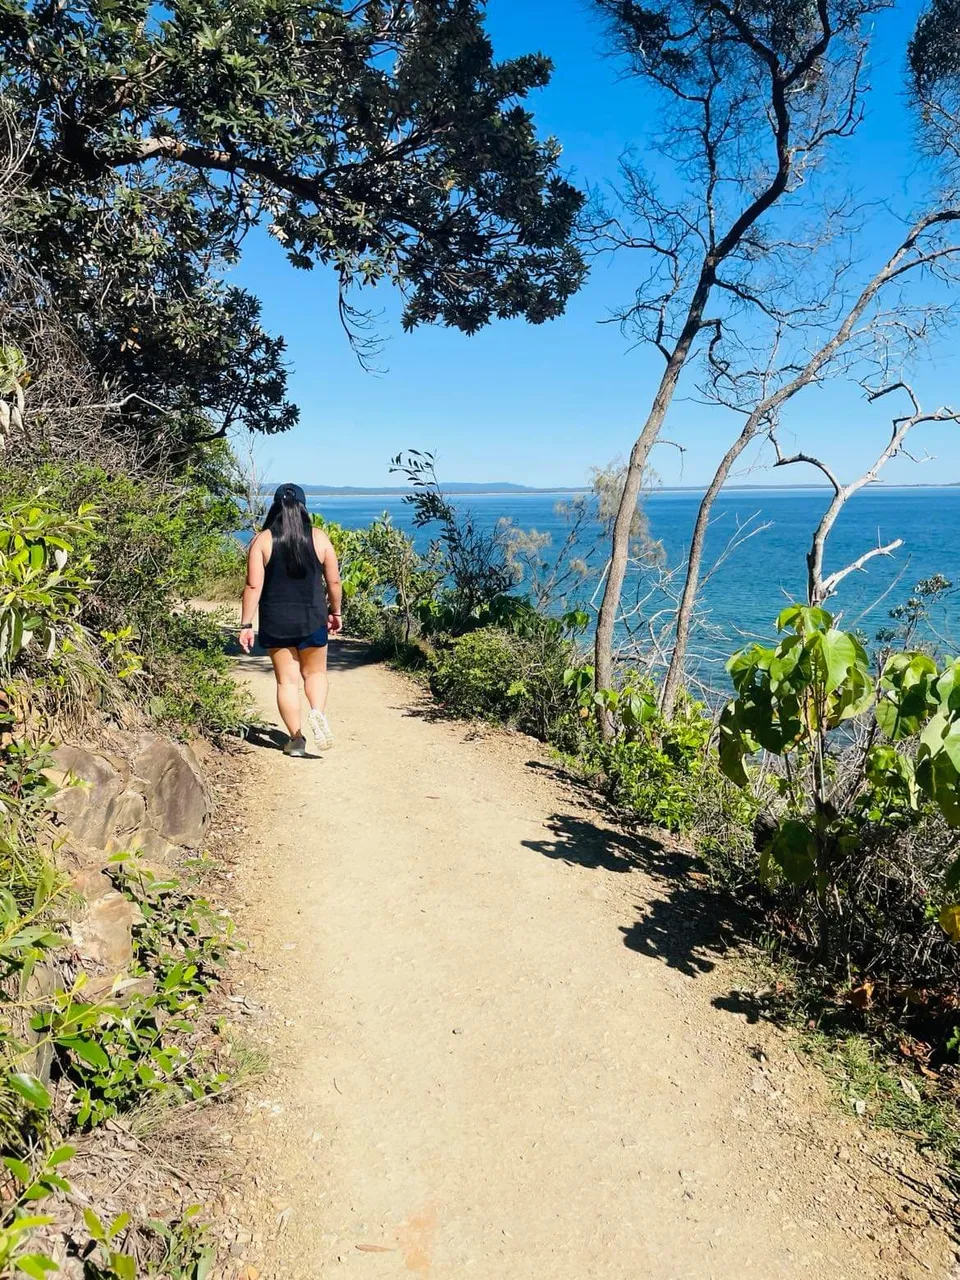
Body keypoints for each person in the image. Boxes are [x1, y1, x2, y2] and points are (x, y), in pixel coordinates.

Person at [239, 483, 343, 757]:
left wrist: (246, 624)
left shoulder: (262, 540)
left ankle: (296, 739)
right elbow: (333, 580)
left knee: (287, 681)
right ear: (303, 506)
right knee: (316, 673)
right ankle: (317, 712)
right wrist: (336, 612)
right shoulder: (319, 538)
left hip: (276, 621)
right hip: (312, 617)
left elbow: (252, 586)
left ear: (275, 507)